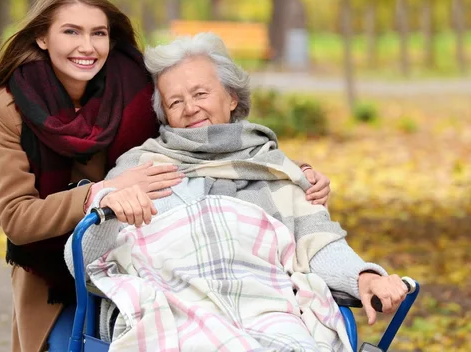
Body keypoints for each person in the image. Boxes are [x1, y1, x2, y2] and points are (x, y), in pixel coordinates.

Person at [0, 0, 331, 352]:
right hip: (52, 262)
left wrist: (290, 174)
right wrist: (100, 193)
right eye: (71, 32)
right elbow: (16, 217)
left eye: (99, 33)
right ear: (43, 38)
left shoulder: (136, 86)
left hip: (140, 253)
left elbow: (200, 140)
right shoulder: (11, 102)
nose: (87, 46)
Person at [66, 32, 408, 349]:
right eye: (175, 102)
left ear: (232, 97)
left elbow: (318, 242)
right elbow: (82, 259)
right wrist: (109, 206)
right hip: (170, 311)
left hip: (268, 312)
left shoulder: (274, 169)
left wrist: (363, 275)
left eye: (200, 93)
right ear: (164, 114)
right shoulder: (140, 167)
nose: (189, 108)